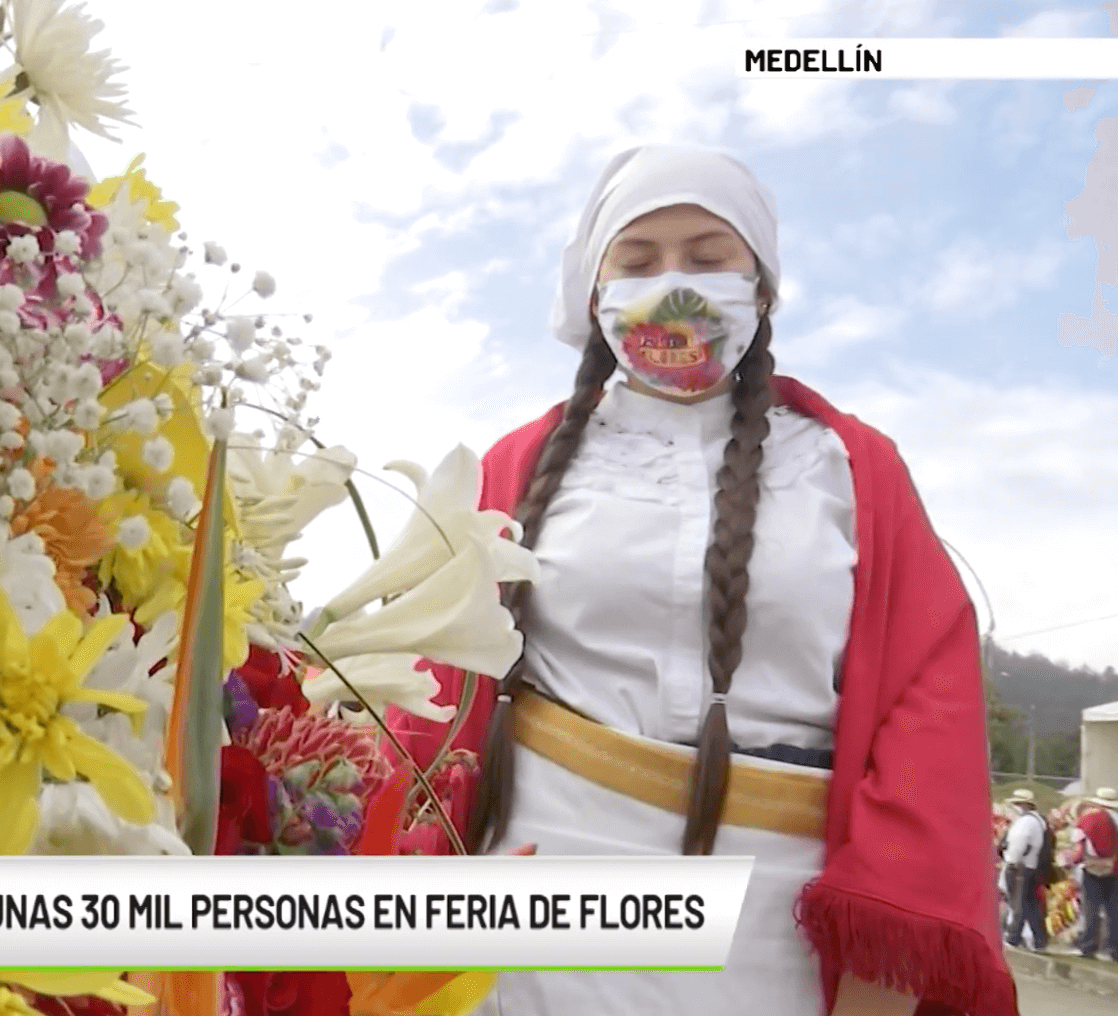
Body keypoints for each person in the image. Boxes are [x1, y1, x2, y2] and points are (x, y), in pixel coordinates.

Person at [372, 145, 1013, 1016]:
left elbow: (928, 709)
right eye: (638, 262)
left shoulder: (854, 469)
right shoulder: (512, 468)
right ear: (596, 295)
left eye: (708, 257)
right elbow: (423, 694)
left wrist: (883, 971)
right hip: (529, 910)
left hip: (778, 931)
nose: (673, 284)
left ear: (760, 286)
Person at [999, 788, 1048, 951]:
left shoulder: (1025, 822)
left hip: (1021, 866)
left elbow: (1018, 844)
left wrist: (1011, 861)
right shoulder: (1037, 821)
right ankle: (1038, 940)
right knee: (1030, 904)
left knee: (1019, 903)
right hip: (1030, 866)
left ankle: (1013, 938)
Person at [1072, 786, 1118, 959]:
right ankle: (1113, 949)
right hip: (1115, 869)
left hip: (1093, 868)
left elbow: (1080, 845)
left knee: (1091, 908)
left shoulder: (1091, 819)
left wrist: (1072, 861)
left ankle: (1088, 946)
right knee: (1113, 910)